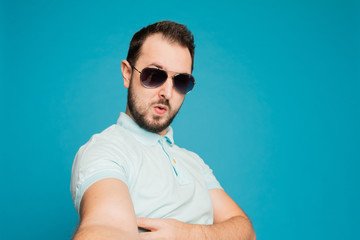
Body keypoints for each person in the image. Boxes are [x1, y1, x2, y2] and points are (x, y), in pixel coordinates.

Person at [70, 20, 256, 240]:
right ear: (127, 74)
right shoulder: (106, 149)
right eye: (154, 75)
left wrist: (187, 234)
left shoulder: (194, 162)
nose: (167, 92)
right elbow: (107, 226)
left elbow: (245, 231)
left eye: (180, 81)